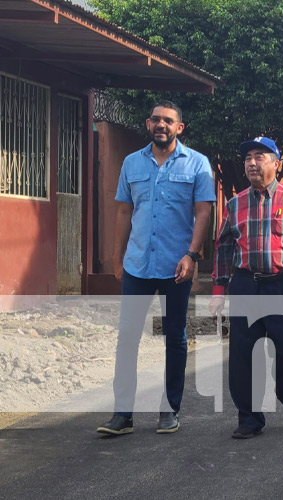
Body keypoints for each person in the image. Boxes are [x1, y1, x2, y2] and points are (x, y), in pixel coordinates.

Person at [97, 101, 216, 435]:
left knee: (175, 338)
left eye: (169, 120)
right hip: (137, 265)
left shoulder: (197, 164)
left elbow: (203, 212)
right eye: (156, 120)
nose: (161, 124)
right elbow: (123, 212)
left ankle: (170, 410)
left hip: (176, 266)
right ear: (148, 124)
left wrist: (192, 255)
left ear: (180, 127)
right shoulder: (132, 163)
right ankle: (123, 414)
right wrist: (117, 258)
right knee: (127, 338)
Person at [209, 137, 283, 439]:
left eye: (259, 156)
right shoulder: (235, 204)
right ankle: (249, 418)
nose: (251, 163)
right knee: (241, 354)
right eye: (248, 157)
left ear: (276, 163)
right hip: (246, 285)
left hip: (281, 284)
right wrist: (219, 291)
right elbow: (223, 247)